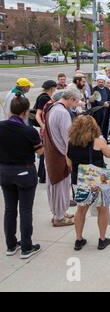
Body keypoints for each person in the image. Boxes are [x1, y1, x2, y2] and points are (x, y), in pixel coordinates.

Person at [0, 94, 44, 259]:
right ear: (26, 112)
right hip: (24, 172)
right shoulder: (29, 130)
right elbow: (40, 152)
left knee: (9, 210)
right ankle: (26, 246)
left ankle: (11, 245)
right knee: (25, 210)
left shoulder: (1, 126)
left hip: (4, 171)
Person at [67, 115, 110, 251]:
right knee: (102, 209)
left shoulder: (71, 143)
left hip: (79, 179)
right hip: (98, 179)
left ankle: (79, 239)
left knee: (81, 210)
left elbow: (69, 164)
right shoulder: (98, 142)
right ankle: (102, 239)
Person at [44, 88, 82, 227]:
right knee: (60, 186)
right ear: (70, 99)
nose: (76, 105)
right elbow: (68, 139)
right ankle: (59, 218)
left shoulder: (53, 108)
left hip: (52, 153)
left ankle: (59, 212)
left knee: (56, 187)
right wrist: (71, 157)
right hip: (60, 155)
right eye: (76, 102)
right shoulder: (63, 112)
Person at [34, 80, 57, 184]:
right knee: (46, 152)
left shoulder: (42, 96)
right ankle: (43, 176)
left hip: (45, 128)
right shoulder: (44, 98)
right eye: (54, 88)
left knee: (45, 152)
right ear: (51, 88)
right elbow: (38, 114)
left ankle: (42, 175)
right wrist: (42, 125)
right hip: (45, 129)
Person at [92, 75, 110, 143]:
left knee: (105, 125)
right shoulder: (94, 89)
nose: (101, 83)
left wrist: (109, 103)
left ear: (104, 82)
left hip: (106, 110)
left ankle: (105, 140)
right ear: (97, 82)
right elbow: (95, 100)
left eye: (102, 82)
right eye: (99, 82)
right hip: (98, 111)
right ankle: (96, 141)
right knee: (97, 126)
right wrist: (102, 104)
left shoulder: (106, 89)